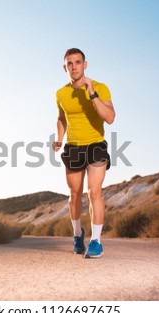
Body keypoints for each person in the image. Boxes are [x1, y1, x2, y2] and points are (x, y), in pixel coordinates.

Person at [52, 48, 115, 258]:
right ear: (65, 67)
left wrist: (92, 95)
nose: (74, 67)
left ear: (85, 64)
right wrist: (59, 138)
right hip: (73, 147)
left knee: (94, 191)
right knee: (74, 194)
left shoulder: (100, 87)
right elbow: (62, 117)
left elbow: (110, 117)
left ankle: (96, 241)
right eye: (69, 63)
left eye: (78, 62)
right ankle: (78, 234)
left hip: (96, 145)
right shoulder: (61, 93)